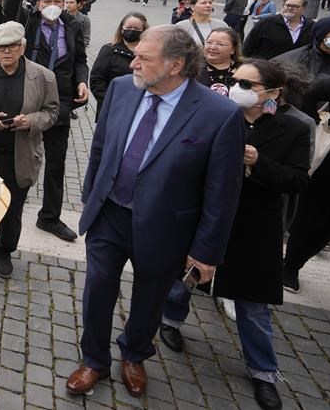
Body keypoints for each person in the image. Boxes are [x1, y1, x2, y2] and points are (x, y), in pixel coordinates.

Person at [66, 25, 245, 399]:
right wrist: (90, 194)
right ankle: (94, 360)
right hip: (110, 214)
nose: (133, 64)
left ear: (176, 65)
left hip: (167, 227)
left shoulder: (218, 114)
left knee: (150, 298)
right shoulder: (120, 89)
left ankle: (134, 354)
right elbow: (100, 146)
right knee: (97, 290)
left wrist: (206, 251)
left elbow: (222, 191)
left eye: (144, 59)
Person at [158, 59, 310, 410]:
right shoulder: (219, 115)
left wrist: (259, 163)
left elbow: (299, 181)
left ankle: (263, 371)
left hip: (255, 226)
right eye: (236, 80)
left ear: (272, 93)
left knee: (252, 304)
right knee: (186, 279)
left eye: (248, 83)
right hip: (206, 217)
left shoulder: (295, 128)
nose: (238, 88)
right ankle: (169, 320)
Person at [0, 22, 59, 288]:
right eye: (0, 47)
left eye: (12, 46)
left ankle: (3, 250)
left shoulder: (43, 76)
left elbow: (52, 112)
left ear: (23, 46)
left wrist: (32, 121)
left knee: (12, 212)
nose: (6, 52)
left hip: (21, 154)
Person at [4, 0, 89, 242]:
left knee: (56, 162)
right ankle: (6, 210)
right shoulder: (27, 22)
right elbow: (11, 4)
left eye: (58, 1)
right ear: (38, 4)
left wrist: (82, 82)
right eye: (47, 1)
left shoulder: (74, 26)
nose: (53, 6)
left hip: (59, 101)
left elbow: (80, 59)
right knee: (15, 160)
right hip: (26, 97)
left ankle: (50, 217)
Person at [279, 16, 330, 293]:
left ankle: (295, 260)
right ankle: (290, 265)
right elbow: (306, 90)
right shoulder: (302, 60)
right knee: (312, 209)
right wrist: (312, 118)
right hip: (325, 150)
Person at [90, 13, 148, 117]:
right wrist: (109, 102)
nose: (132, 31)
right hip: (112, 109)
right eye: (128, 27)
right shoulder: (109, 50)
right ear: (122, 28)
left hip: (140, 109)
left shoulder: (148, 53)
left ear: (143, 31)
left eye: (136, 28)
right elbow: (96, 80)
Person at [242, 0, 312, 60]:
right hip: (267, 69)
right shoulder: (266, 22)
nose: (290, 8)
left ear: (304, 8)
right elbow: (248, 46)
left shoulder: (312, 26)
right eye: (287, 5)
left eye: (295, 6)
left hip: (297, 70)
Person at [198, 28, 242, 96]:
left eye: (220, 44)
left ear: (233, 49)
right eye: (209, 42)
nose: (212, 47)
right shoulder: (192, 67)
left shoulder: (244, 70)